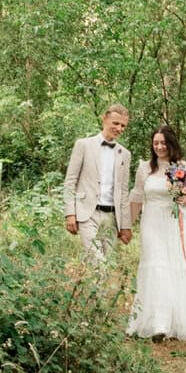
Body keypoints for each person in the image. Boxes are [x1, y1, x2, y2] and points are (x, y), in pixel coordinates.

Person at [127, 124, 186, 342]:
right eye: (155, 143)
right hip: (151, 223)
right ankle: (155, 322)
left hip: (174, 223)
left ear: (171, 144)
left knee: (172, 268)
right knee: (156, 267)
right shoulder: (145, 168)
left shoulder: (182, 167)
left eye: (163, 142)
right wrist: (127, 227)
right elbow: (137, 198)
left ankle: (171, 320)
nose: (159, 147)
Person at [63, 104, 134, 263]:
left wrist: (125, 225)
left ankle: (90, 288)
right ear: (105, 119)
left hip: (112, 217)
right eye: (115, 123)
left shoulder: (125, 154)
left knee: (107, 264)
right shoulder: (83, 145)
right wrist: (70, 214)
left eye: (123, 125)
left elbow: (123, 192)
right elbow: (70, 182)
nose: (119, 128)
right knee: (97, 262)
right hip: (87, 213)